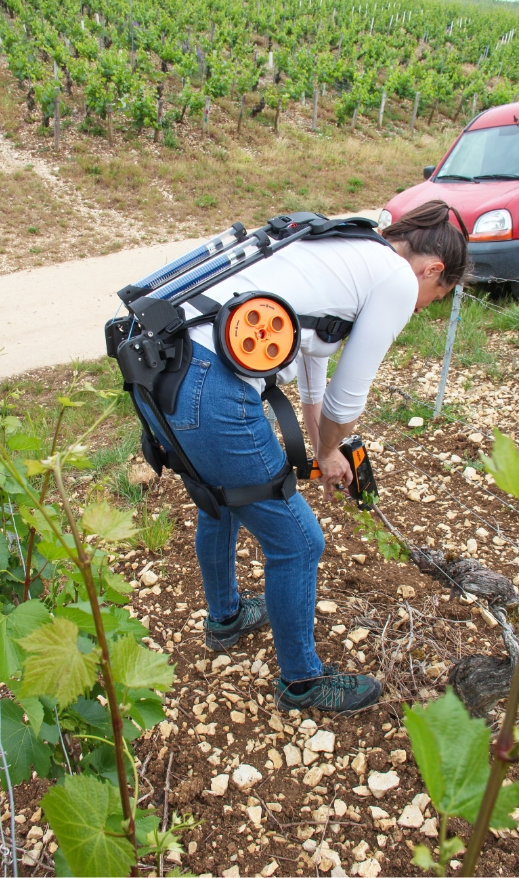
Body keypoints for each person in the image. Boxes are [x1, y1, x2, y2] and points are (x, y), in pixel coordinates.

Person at [136, 200, 469, 716]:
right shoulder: (398, 281)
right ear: (433, 271)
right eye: (434, 297)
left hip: (158, 369)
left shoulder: (345, 245)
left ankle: (226, 618)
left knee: (219, 502)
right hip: (210, 384)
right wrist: (335, 447)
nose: (422, 306)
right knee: (298, 542)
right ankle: (302, 683)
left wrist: (322, 452)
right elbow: (346, 399)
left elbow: (313, 360)